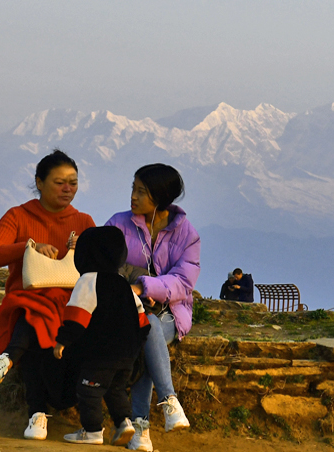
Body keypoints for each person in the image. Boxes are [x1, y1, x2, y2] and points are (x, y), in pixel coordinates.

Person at [0, 149, 96, 440]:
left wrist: (84, 249)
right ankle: (36, 413)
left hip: (68, 301)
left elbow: (102, 266)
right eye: (59, 182)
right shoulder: (19, 216)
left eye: (73, 182)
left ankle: (10, 362)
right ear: (39, 182)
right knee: (33, 314)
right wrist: (28, 246)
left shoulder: (83, 221)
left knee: (37, 323)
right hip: (27, 299)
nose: (68, 188)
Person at [106, 163, 198, 451]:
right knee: (148, 328)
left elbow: (184, 281)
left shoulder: (186, 233)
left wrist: (145, 285)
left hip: (172, 312)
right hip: (126, 309)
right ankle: (170, 403)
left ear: (159, 197)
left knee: (150, 328)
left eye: (141, 191)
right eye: (133, 188)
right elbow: (104, 265)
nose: (133, 197)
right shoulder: (118, 224)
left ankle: (141, 429)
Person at [53, 226, 151, 446]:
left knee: (88, 390)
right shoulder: (124, 285)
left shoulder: (88, 280)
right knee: (116, 389)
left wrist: (62, 341)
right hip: (127, 355)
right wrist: (136, 346)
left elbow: (77, 316)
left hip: (100, 354)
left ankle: (92, 431)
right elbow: (143, 322)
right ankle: (124, 422)